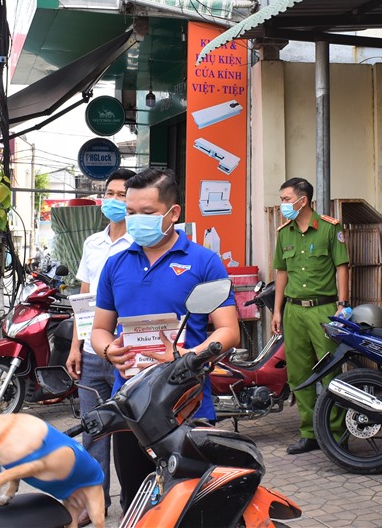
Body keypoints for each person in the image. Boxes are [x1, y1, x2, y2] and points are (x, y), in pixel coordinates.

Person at [89, 168, 240, 512]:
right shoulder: (115, 265)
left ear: (173, 213)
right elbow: (99, 330)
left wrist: (190, 356)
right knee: (136, 505)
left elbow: (228, 330)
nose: (136, 220)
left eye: (147, 213)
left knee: (190, 507)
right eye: (130, 213)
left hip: (187, 407)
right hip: (130, 409)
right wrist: (109, 349)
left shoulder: (204, 261)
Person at [65, 167, 135, 524]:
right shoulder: (93, 242)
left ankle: (135, 506)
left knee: (130, 435)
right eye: (110, 193)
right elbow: (84, 297)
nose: (115, 200)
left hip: (128, 352)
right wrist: (76, 346)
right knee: (93, 433)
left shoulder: (140, 243)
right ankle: (95, 506)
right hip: (92, 354)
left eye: (123, 194)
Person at [271, 177, 350, 455]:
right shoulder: (284, 233)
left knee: (330, 372)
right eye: (281, 199)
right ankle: (309, 432)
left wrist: (342, 304)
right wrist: (277, 310)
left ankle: (337, 432)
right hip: (293, 311)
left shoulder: (329, 228)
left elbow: (342, 267)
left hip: (323, 310)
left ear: (302, 200)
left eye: (286, 199)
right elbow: (281, 273)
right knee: (299, 373)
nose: (283, 204)